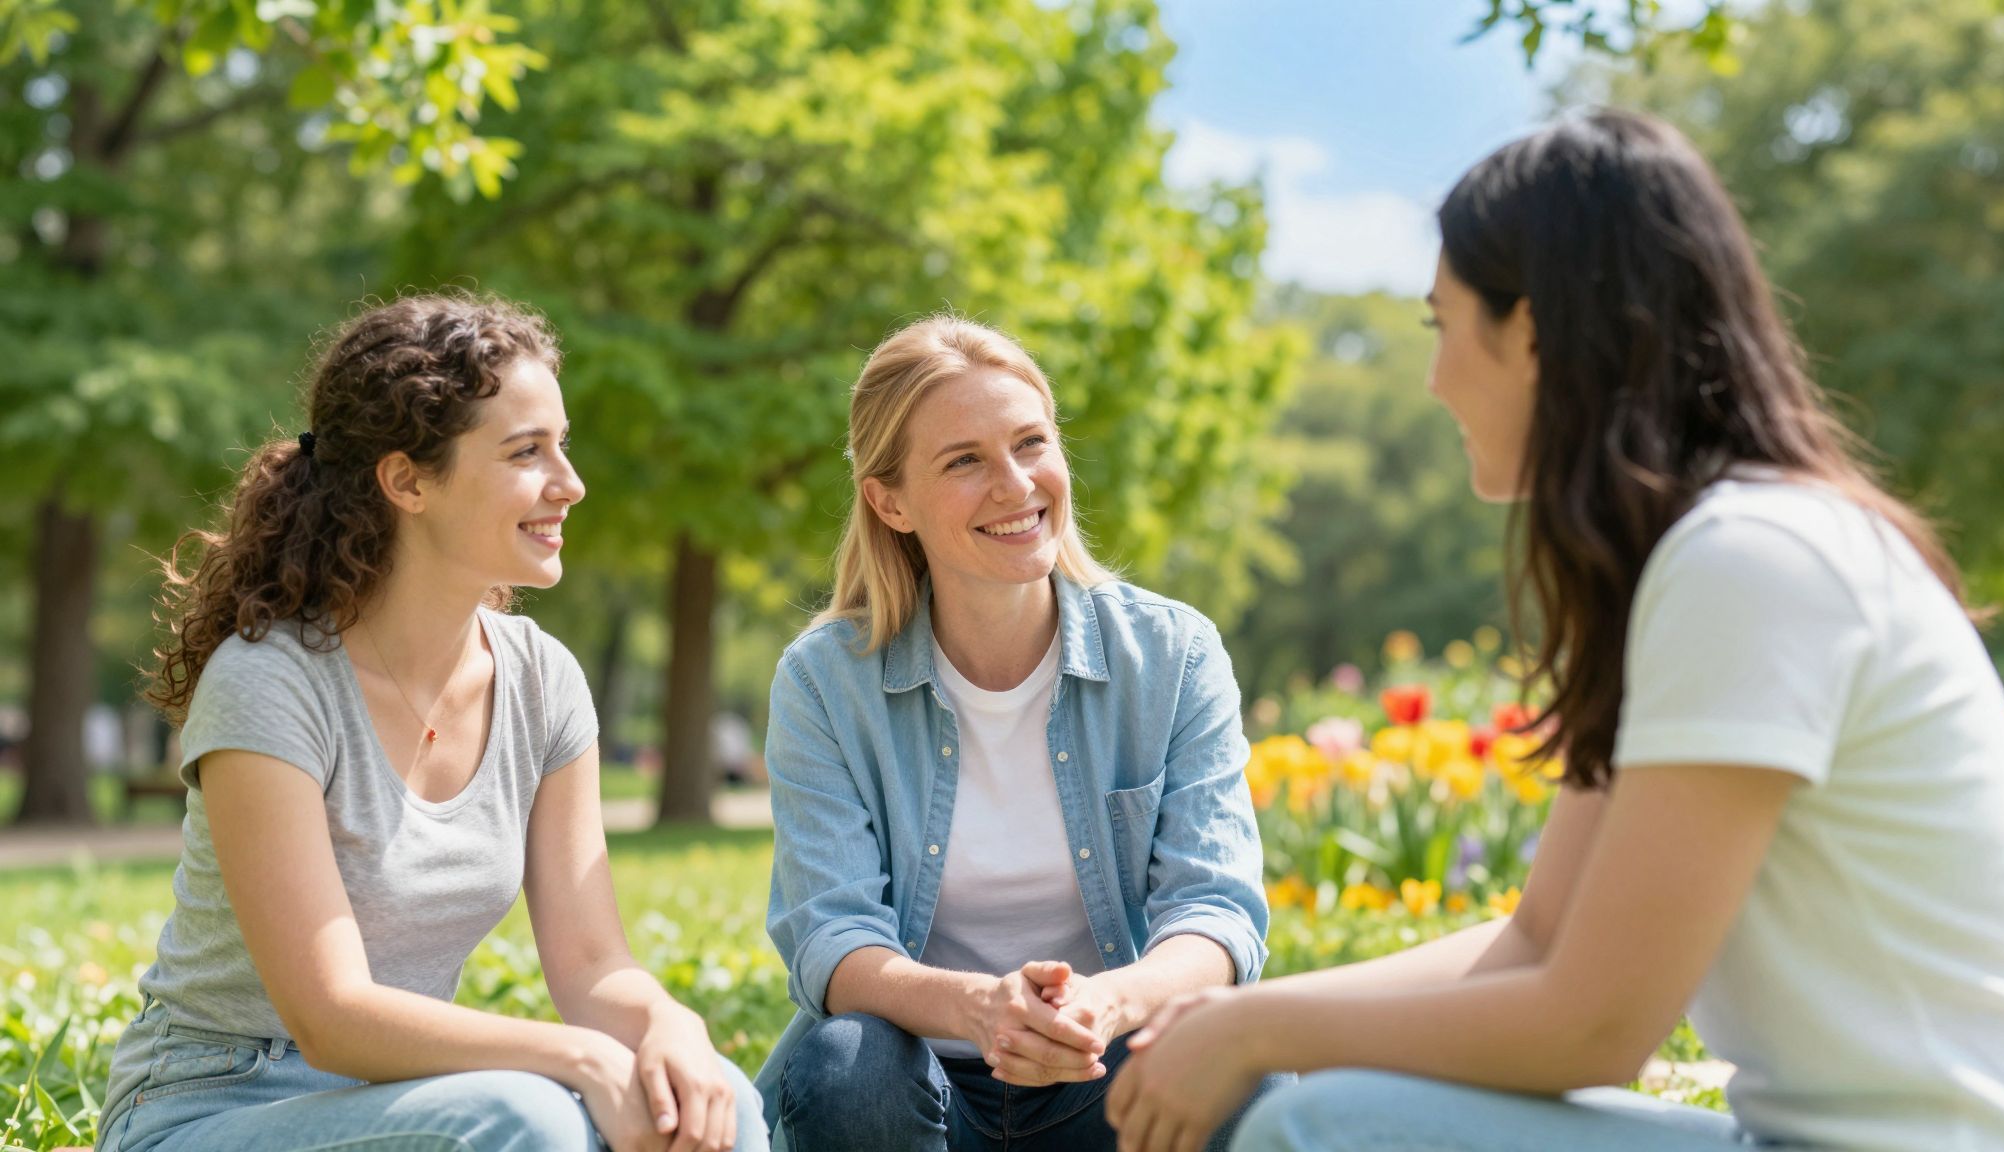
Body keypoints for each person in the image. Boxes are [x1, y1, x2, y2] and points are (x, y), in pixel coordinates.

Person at [1106, 109, 2004, 1152]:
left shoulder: (1750, 561)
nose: (1431, 379)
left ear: (1537, 333)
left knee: (1321, 1130)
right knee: (1308, 1099)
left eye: (1441, 325)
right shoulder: (1707, 559)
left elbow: (1596, 1026)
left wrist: (1259, 1028)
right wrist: (1236, 1023)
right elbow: (1539, 938)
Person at [98, 294, 768, 1152]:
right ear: (407, 479)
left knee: (723, 1104)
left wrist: (668, 1027)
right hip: (212, 1108)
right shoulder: (271, 683)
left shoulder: (542, 683)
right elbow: (332, 1017)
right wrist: (578, 1057)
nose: (570, 483)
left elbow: (596, 966)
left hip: (410, 1103)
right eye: (527, 452)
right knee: (529, 1118)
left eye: (563, 445)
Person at [755, 315, 1283, 1151]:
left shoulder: (1173, 655)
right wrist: (979, 1008)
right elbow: (832, 937)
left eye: (1030, 443)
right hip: (916, 1081)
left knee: (1237, 1060)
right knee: (846, 1063)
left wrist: (1103, 1005)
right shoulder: (825, 681)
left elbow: (1216, 910)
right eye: (964, 460)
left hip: (1110, 1071)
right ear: (889, 500)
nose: (1015, 484)